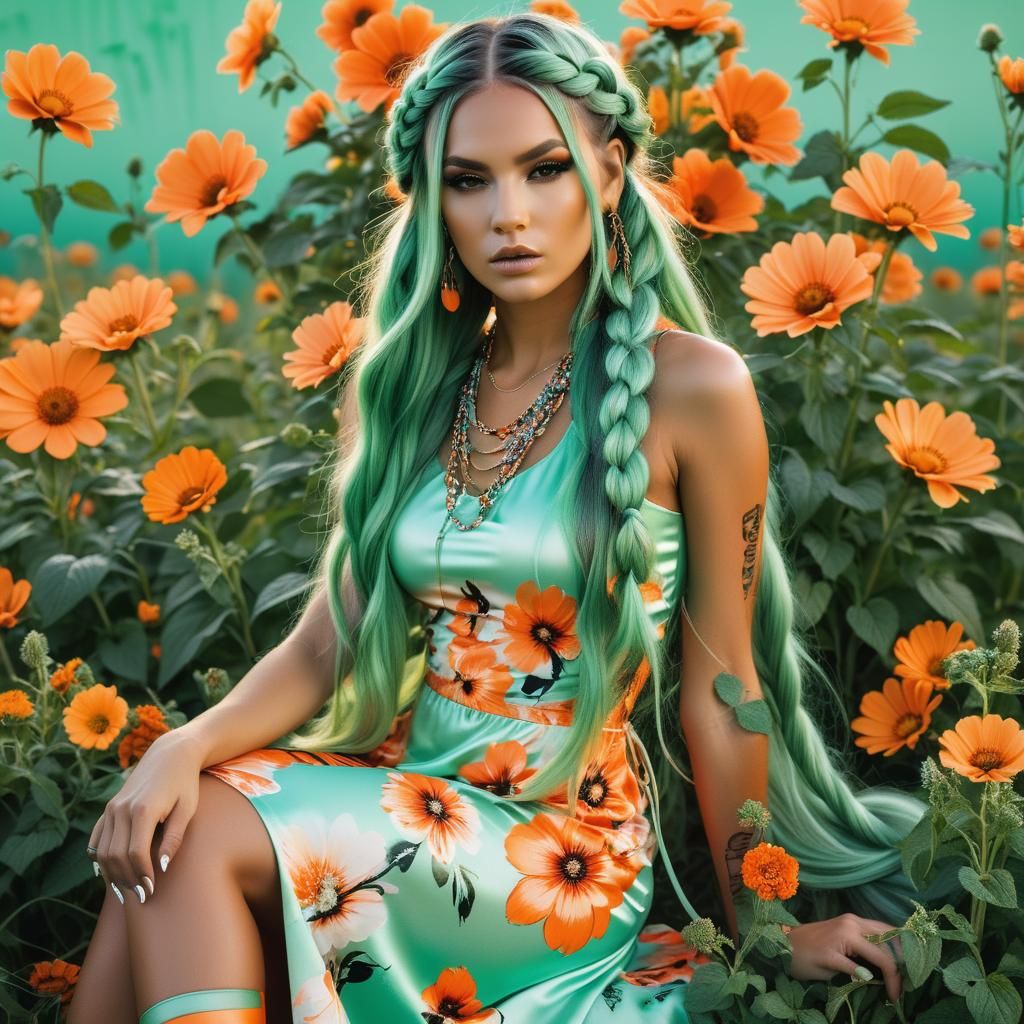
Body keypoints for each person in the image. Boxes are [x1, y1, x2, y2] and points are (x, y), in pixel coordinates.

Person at [69, 13, 925, 1024]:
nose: (507, 215)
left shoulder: (695, 387)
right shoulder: (408, 388)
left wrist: (765, 932)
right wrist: (179, 746)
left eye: (544, 170)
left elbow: (722, 689)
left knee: (199, 829)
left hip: (565, 854)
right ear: (434, 202)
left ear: (609, 173)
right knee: (170, 830)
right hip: (413, 796)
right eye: (469, 181)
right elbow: (325, 645)